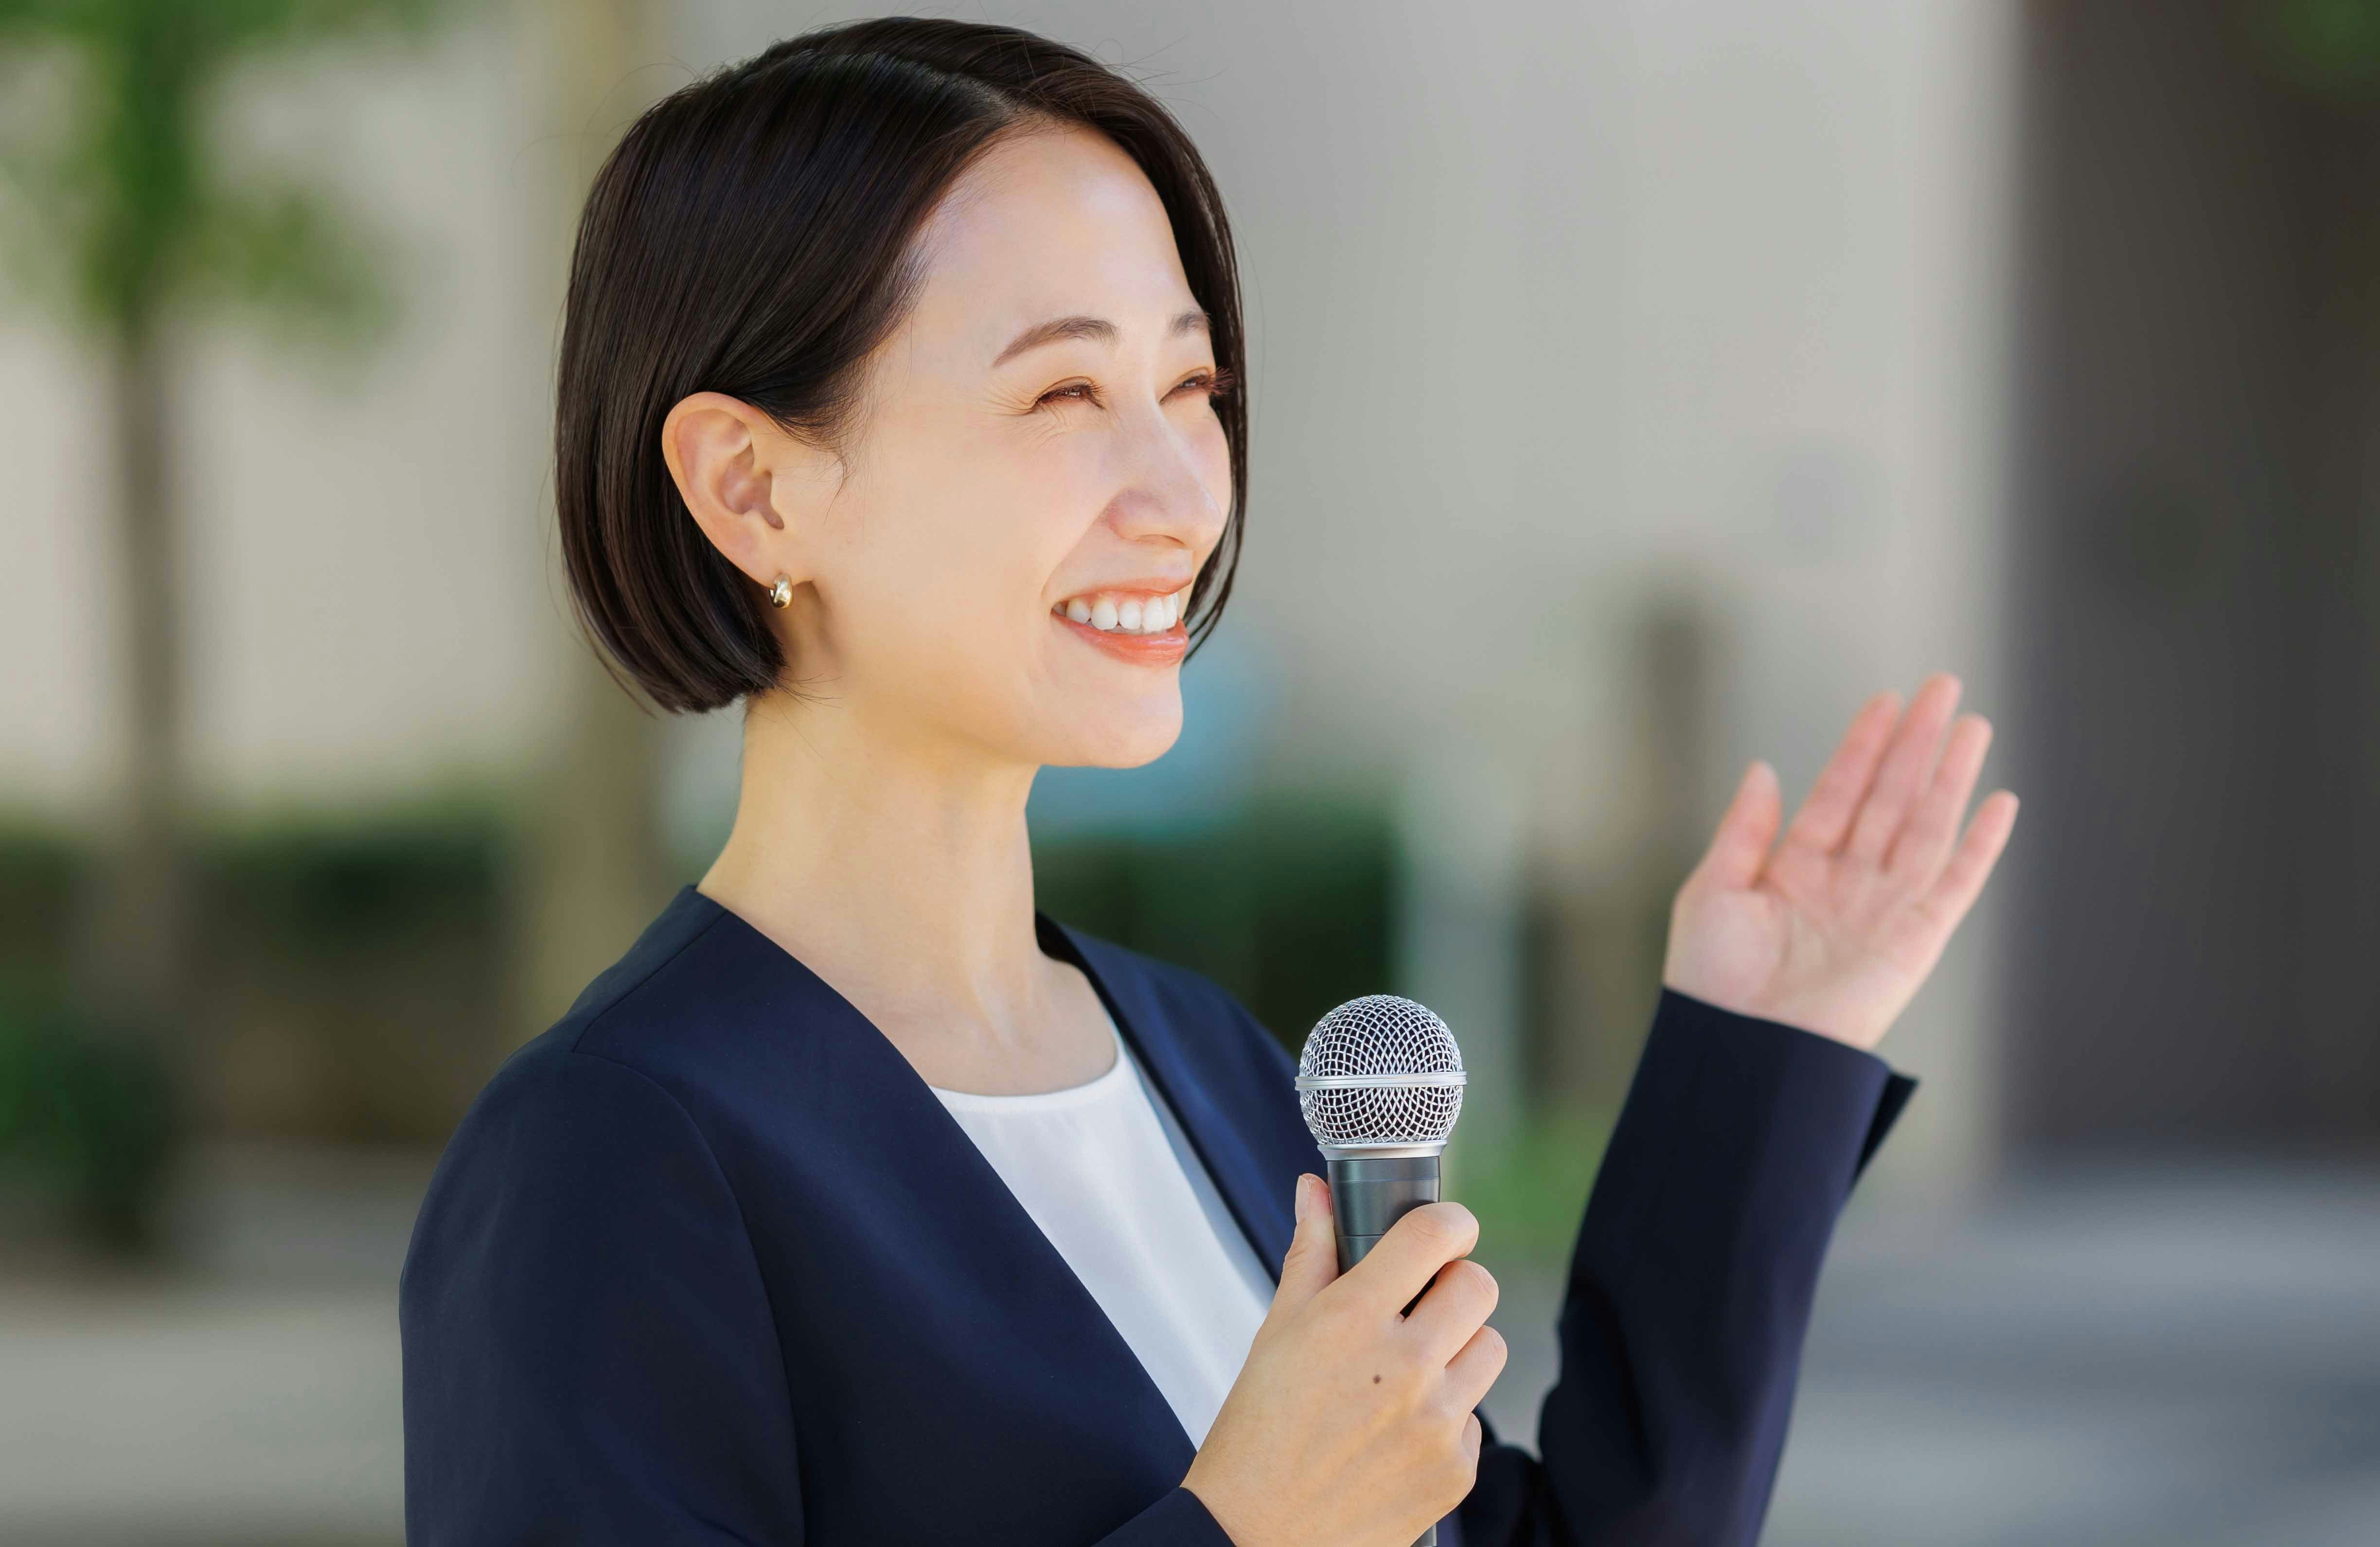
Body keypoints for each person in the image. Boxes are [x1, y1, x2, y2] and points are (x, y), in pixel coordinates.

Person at [398, 17, 2019, 1547]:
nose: (1182, 494)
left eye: (1193, 389)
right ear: (752, 490)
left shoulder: (1208, 1065)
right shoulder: (613, 1158)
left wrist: (1766, 1053)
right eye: (1063, 392)